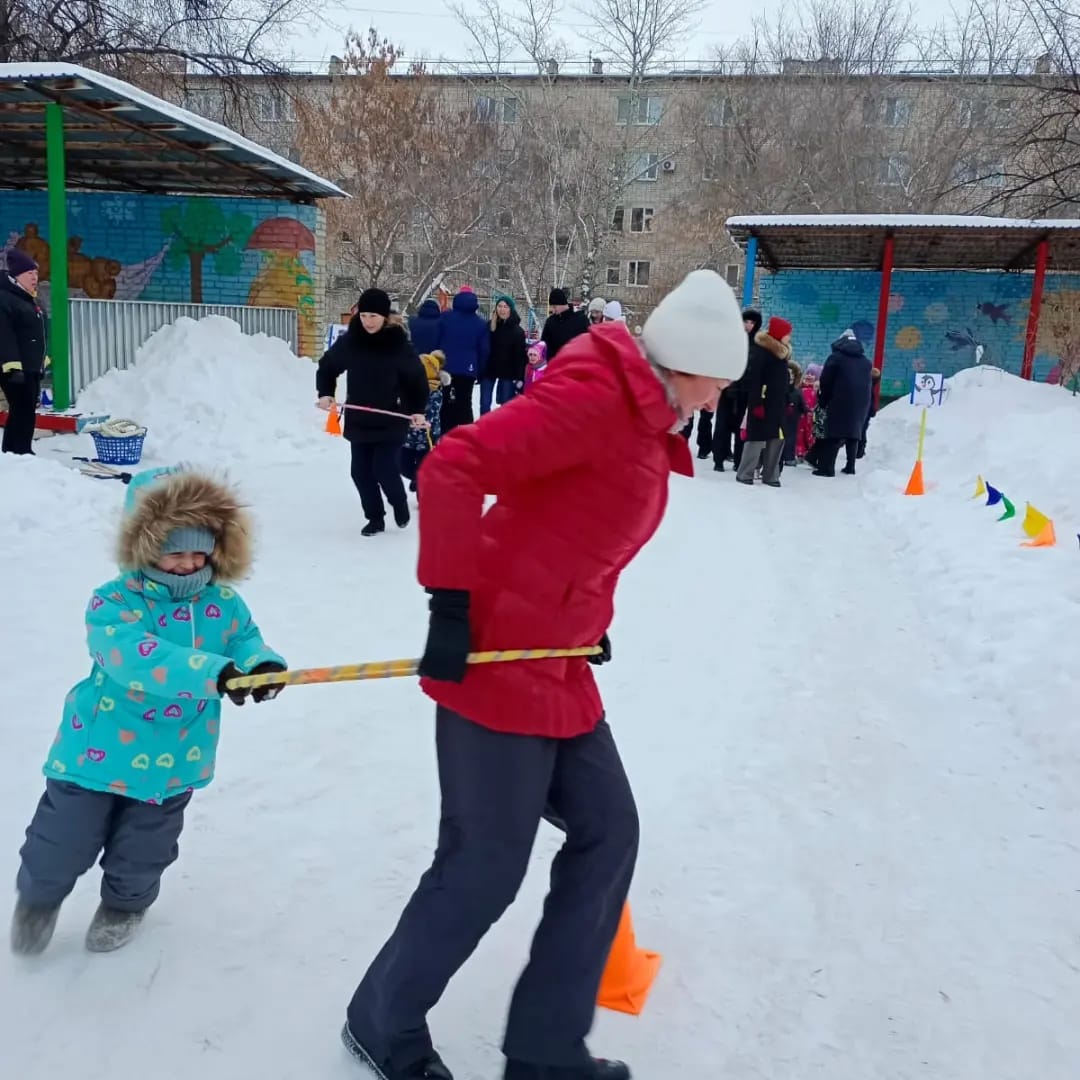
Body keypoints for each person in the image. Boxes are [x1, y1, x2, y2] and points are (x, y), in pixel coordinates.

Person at [340, 269, 749, 1080]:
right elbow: (455, 466)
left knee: (609, 831)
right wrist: (449, 605)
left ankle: (545, 1051)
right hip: (494, 659)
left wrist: (585, 622)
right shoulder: (598, 398)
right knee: (484, 866)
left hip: (555, 662)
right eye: (719, 383)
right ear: (689, 365)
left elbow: (571, 527)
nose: (718, 400)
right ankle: (379, 1022)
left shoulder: (643, 414)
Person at [10, 465, 286, 956]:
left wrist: (259, 665)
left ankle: (125, 905)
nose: (188, 564)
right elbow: (133, 657)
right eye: (174, 551)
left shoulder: (224, 602)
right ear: (144, 546)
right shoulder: (114, 602)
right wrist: (214, 673)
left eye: (199, 551)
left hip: (175, 755)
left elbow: (244, 640)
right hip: (97, 750)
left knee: (147, 846)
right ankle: (39, 899)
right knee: (62, 837)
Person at [317, 288, 429, 536]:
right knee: (360, 473)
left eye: (373, 316)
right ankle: (375, 518)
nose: (368, 321)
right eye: (364, 315)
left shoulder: (398, 344)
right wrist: (325, 392)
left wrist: (418, 410)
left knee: (384, 468)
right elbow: (328, 366)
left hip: (391, 418)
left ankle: (399, 502)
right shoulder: (352, 341)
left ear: (385, 316)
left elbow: (417, 380)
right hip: (360, 419)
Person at [736, 315, 792, 488]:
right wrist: (756, 403)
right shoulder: (762, 352)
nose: (789, 337)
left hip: (778, 405)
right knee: (756, 439)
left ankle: (771, 475)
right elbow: (755, 381)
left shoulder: (781, 353)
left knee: (777, 439)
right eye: (787, 333)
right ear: (779, 333)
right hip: (762, 403)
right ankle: (745, 473)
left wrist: (788, 400)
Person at [0, 249, 47, 456]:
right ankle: (18, 451)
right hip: (15, 368)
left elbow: (36, 335)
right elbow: (4, 334)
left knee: (25, 409)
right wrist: (12, 366)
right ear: (17, 275)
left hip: (30, 366)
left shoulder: (28, 299)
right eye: (29, 273)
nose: (35, 278)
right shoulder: (5, 299)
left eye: (36, 273)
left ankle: (17, 451)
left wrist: (41, 363)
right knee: (22, 408)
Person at [813, 329, 873, 478]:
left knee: (833, 433)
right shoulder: (866, 362)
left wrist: (823, 400)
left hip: (839, 400)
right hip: (861, 402)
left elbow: (826, 380)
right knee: (854, 432)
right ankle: (850, 466)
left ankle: (827, 469)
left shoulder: (835, 358)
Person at [712, 308, 760, 473]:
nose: (748, 325)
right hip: (728, 391)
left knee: (742, 428)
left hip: (746, 393)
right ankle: (719, 458)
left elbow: (756, 370)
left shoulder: (758, 345)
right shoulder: (732, 341)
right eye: (746, 321)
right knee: (722, 426)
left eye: (752, 322)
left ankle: (739, 461)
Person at [437, 287, 490, 432]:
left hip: (446, 368)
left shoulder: (445, 318)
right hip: (468, 369)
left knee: (446, 403)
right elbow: (484, 350)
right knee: (465, 403)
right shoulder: (480, 323)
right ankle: (466, 435)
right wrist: (480, 371)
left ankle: (445, 434)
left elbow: (436, 339)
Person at [402, 350, 451, 493]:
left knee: (423, 467)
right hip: (408, 438)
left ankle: (423, 489)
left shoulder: (435, 393)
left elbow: (431, 414)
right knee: (403, 466)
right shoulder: (408, 389)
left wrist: (415, 418)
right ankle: (418, 479)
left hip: (427, 440)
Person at [482, 295, 528, 414]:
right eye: (500, 306)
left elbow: (520, 356)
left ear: (511, 309)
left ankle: (503, 425)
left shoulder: (517, 331)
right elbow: (482, 348)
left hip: (508, 372)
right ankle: (484, 425)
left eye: (505, 307)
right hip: (489, 370)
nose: (502, 309)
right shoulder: (489, 326)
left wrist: (519, 376)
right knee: (484, 403)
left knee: (506, 405)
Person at [540, 287, 588, 360]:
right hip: (556, 363)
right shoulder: (550, 321)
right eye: (552, 307)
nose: (553, 310)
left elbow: (586, 343)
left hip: (576, 362)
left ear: (562, 303)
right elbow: (544, 344)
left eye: (554, 306)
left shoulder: (580, 319)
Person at [781, 361, 808, 469]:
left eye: (792, 373)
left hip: (793, 416)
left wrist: (805, 410)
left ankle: (788, 457)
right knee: (783, 436)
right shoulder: (785, 389)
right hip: (785, 414)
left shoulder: (797, 390)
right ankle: (784, 456)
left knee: (790, 437)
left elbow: (802, 404)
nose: (790, 376)